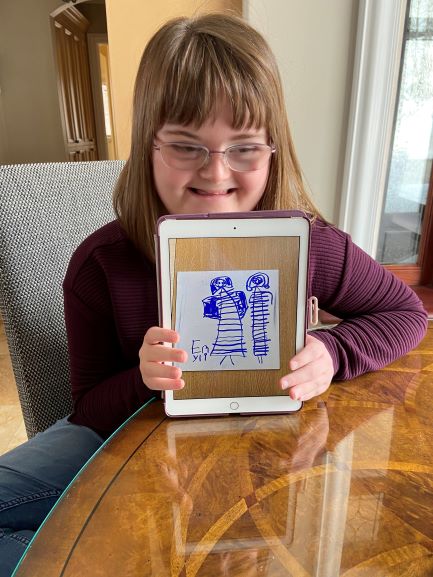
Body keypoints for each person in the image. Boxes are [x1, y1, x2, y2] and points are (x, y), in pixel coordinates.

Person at [0, 12, 428, 576]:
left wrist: (333, 351)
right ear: (148, 145)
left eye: (245, 148)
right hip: (137, 434)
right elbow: (88, 408)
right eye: (186, 146)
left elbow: (405, 312)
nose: (217, 173)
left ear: (273, 151)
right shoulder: (100, 264)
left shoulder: (309, 245)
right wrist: (143, 378)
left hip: (273, 447)